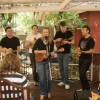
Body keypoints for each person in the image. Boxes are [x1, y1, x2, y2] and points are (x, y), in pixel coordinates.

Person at [33, 27, 54, 100]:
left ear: (49, 33)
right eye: (44, 32)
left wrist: (52, 54)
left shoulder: (51, 41)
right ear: (42, 33)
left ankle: (49, 92)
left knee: (49, 78)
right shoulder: (39, 41)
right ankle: (42, 93)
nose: (45, 33)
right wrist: (42, 51)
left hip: (48, 61)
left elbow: (51, 52)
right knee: (42, 79)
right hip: (40, 62)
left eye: (47, 32)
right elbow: (34, 51)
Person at [54, 21, 74, 89]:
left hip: (66, 53)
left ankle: (67, 83)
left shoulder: (69, 33)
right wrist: (57, 40)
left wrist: (67, 42)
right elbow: (54, 42)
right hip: (59, 53)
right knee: (61, 67)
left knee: (65, 67)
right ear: (60, 27)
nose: (63, 28)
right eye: (62, 27)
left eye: (64, 27)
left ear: (66, 27)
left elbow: (73, 42)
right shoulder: (58, 33)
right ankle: (62, 81)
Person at [75, 25, 95, 90]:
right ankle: (84, 88)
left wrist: (82, 51)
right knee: (81, 75)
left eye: (83, 30)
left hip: (87, 59)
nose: (82, 31)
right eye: (82, 30)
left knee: (82, 73)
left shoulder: (91, 39)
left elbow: (91, 51)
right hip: (81, 58)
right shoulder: (82, 38)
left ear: (87, 31)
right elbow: (79, 47)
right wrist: (77, 51)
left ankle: (88, 88)